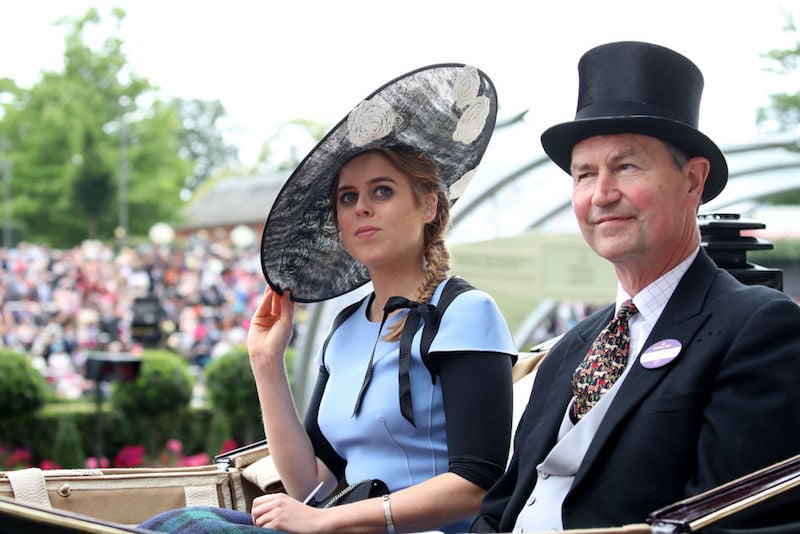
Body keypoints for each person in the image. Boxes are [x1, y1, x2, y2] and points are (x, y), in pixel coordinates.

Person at [141, 64, 517, 534]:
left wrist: (330, 521)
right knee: (178, 523)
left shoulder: (465, 311)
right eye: (347, 197)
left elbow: (477, 483)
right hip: (342, 529)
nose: (361, 207)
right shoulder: (345, 328)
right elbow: (312, 487)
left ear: (428, 204)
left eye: (382, 191)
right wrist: (266, 362)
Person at [471, 41, 800, 532]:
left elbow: (729, 523)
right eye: (585, 174)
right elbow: (500, 511)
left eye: (626, 167)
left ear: (693, 181)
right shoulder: (570, 350)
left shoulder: (757, 329)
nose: (601, 194)